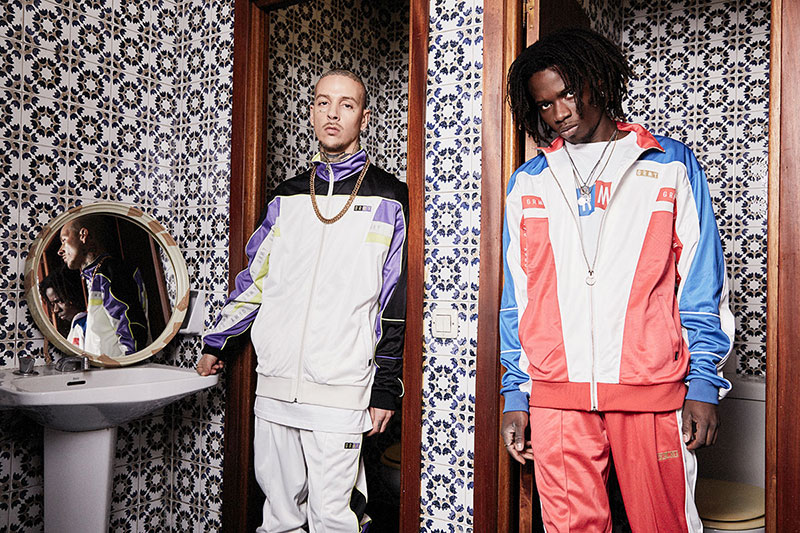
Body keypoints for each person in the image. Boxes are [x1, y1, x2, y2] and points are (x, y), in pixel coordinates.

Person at [499, 28, 734, 532]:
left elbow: (701, 281)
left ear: (598, 81)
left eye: (568, 93)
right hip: (556, 395)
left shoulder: (668, 164)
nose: (559, 112)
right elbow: (518, 296)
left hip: (651, 389)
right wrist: (516, 393)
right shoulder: (529, 181)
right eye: (544, 104)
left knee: (664, 526)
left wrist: (704, 383)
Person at [197, 69, 408, 533]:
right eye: (323, 102)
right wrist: (217, 341)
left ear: (364, 118)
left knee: (333, 518)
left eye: (347, 104)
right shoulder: (286, 197)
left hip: (343, 388)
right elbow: (255, 280)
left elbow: (395, 302)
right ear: (311, 112)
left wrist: (386, 387)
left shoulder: (392, 198)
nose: (333, 113)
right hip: (274, 387)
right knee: (278, 518)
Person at [58, 215, 149, 357]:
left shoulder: (111, 271)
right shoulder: (97, 273)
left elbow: (132, 332)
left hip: (124, 369)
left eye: (64, 240)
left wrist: (128, 365)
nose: (60, 250)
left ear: (83, 235)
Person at [39, 266, 87, 348]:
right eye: (52, 304)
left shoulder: (86, 325)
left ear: (71, 296)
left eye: (58, 301)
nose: (56, 309)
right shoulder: (76, 326)